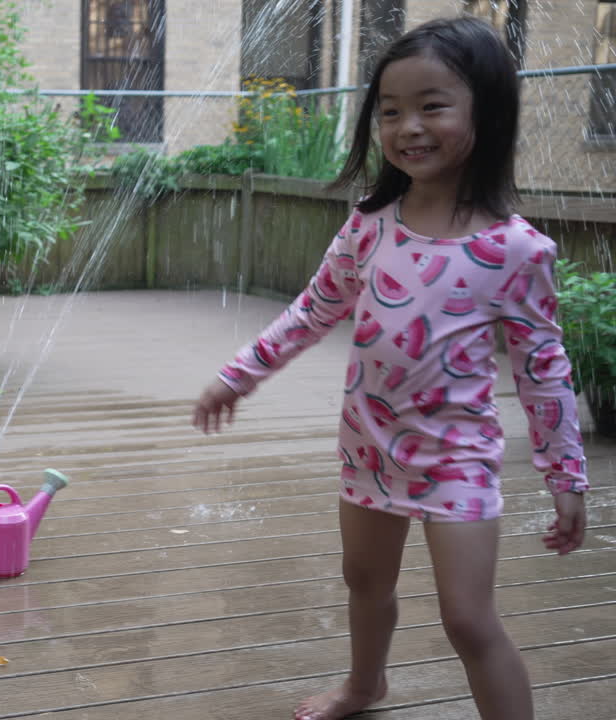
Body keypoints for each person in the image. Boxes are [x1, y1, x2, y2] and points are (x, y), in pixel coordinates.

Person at [192, 17, 590, 720]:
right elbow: (313, 310)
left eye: (432, 106)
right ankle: (365, 685)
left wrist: (566, 477)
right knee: (364, 580)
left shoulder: (516, 250)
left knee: (468, 619)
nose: (409, 126)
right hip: (369, 443)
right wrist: (239, 373)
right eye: (390, 111)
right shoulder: (372, 224)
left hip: (458, 458)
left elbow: (544, 371)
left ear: (486, 111)